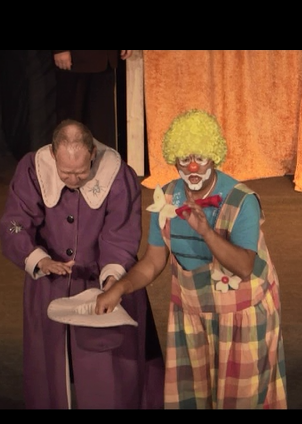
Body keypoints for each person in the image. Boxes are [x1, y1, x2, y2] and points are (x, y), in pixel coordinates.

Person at [96, 109, 287, 409]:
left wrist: (206, 232)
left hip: (240, 318)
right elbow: (153, 262)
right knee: (193, 401)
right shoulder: (166, 200)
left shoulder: (242, 201)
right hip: (191, 317)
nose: (194, 166)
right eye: (185, 159)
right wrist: (118, 288)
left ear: (214, 157)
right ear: (175, 161)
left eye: (201, 157)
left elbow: (244, 267)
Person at [0, 118, 165, 409]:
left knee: (107, 373)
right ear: (53, 155)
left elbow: (121, 233)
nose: (73, 180)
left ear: (92, 154)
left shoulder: (118, 174)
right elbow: (15, 223)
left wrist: (113, 279)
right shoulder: (32, 170)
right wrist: (40, 260)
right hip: (50, 281)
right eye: (65, 173)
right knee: (51, 366)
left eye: (81, 172)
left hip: (102, 281)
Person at [52, 50, 132, 151]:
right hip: (75, 62)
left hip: (106, 60)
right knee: (71, 127)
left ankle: (102, 160)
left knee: (102, 128)